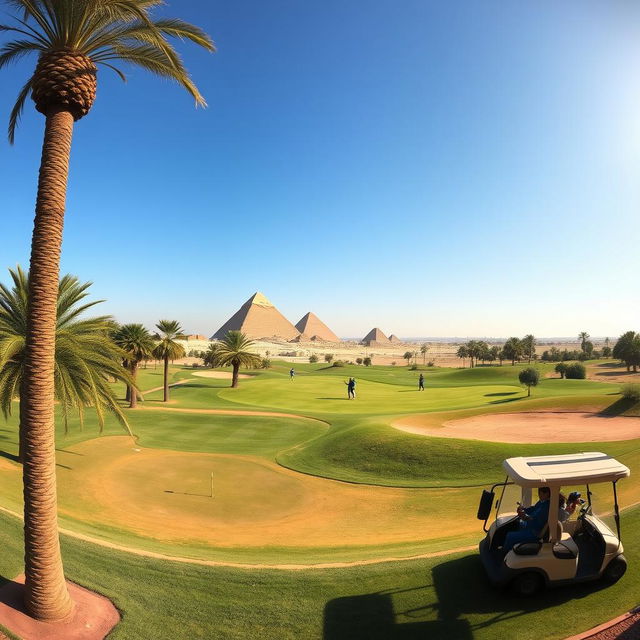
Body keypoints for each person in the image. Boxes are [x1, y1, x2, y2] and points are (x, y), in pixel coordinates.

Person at [503, 487, 551, 553]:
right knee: (515, 523)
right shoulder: (541, 502)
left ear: (547, 494)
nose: (539, 495)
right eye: (539, 493)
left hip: (534, 532)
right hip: (530, 526)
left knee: (509, 536)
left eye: (541, 493)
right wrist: (524, 509)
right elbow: (533, 509)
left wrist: (525, 517)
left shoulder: (546, 507)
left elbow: (536, 522)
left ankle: (504, 553)